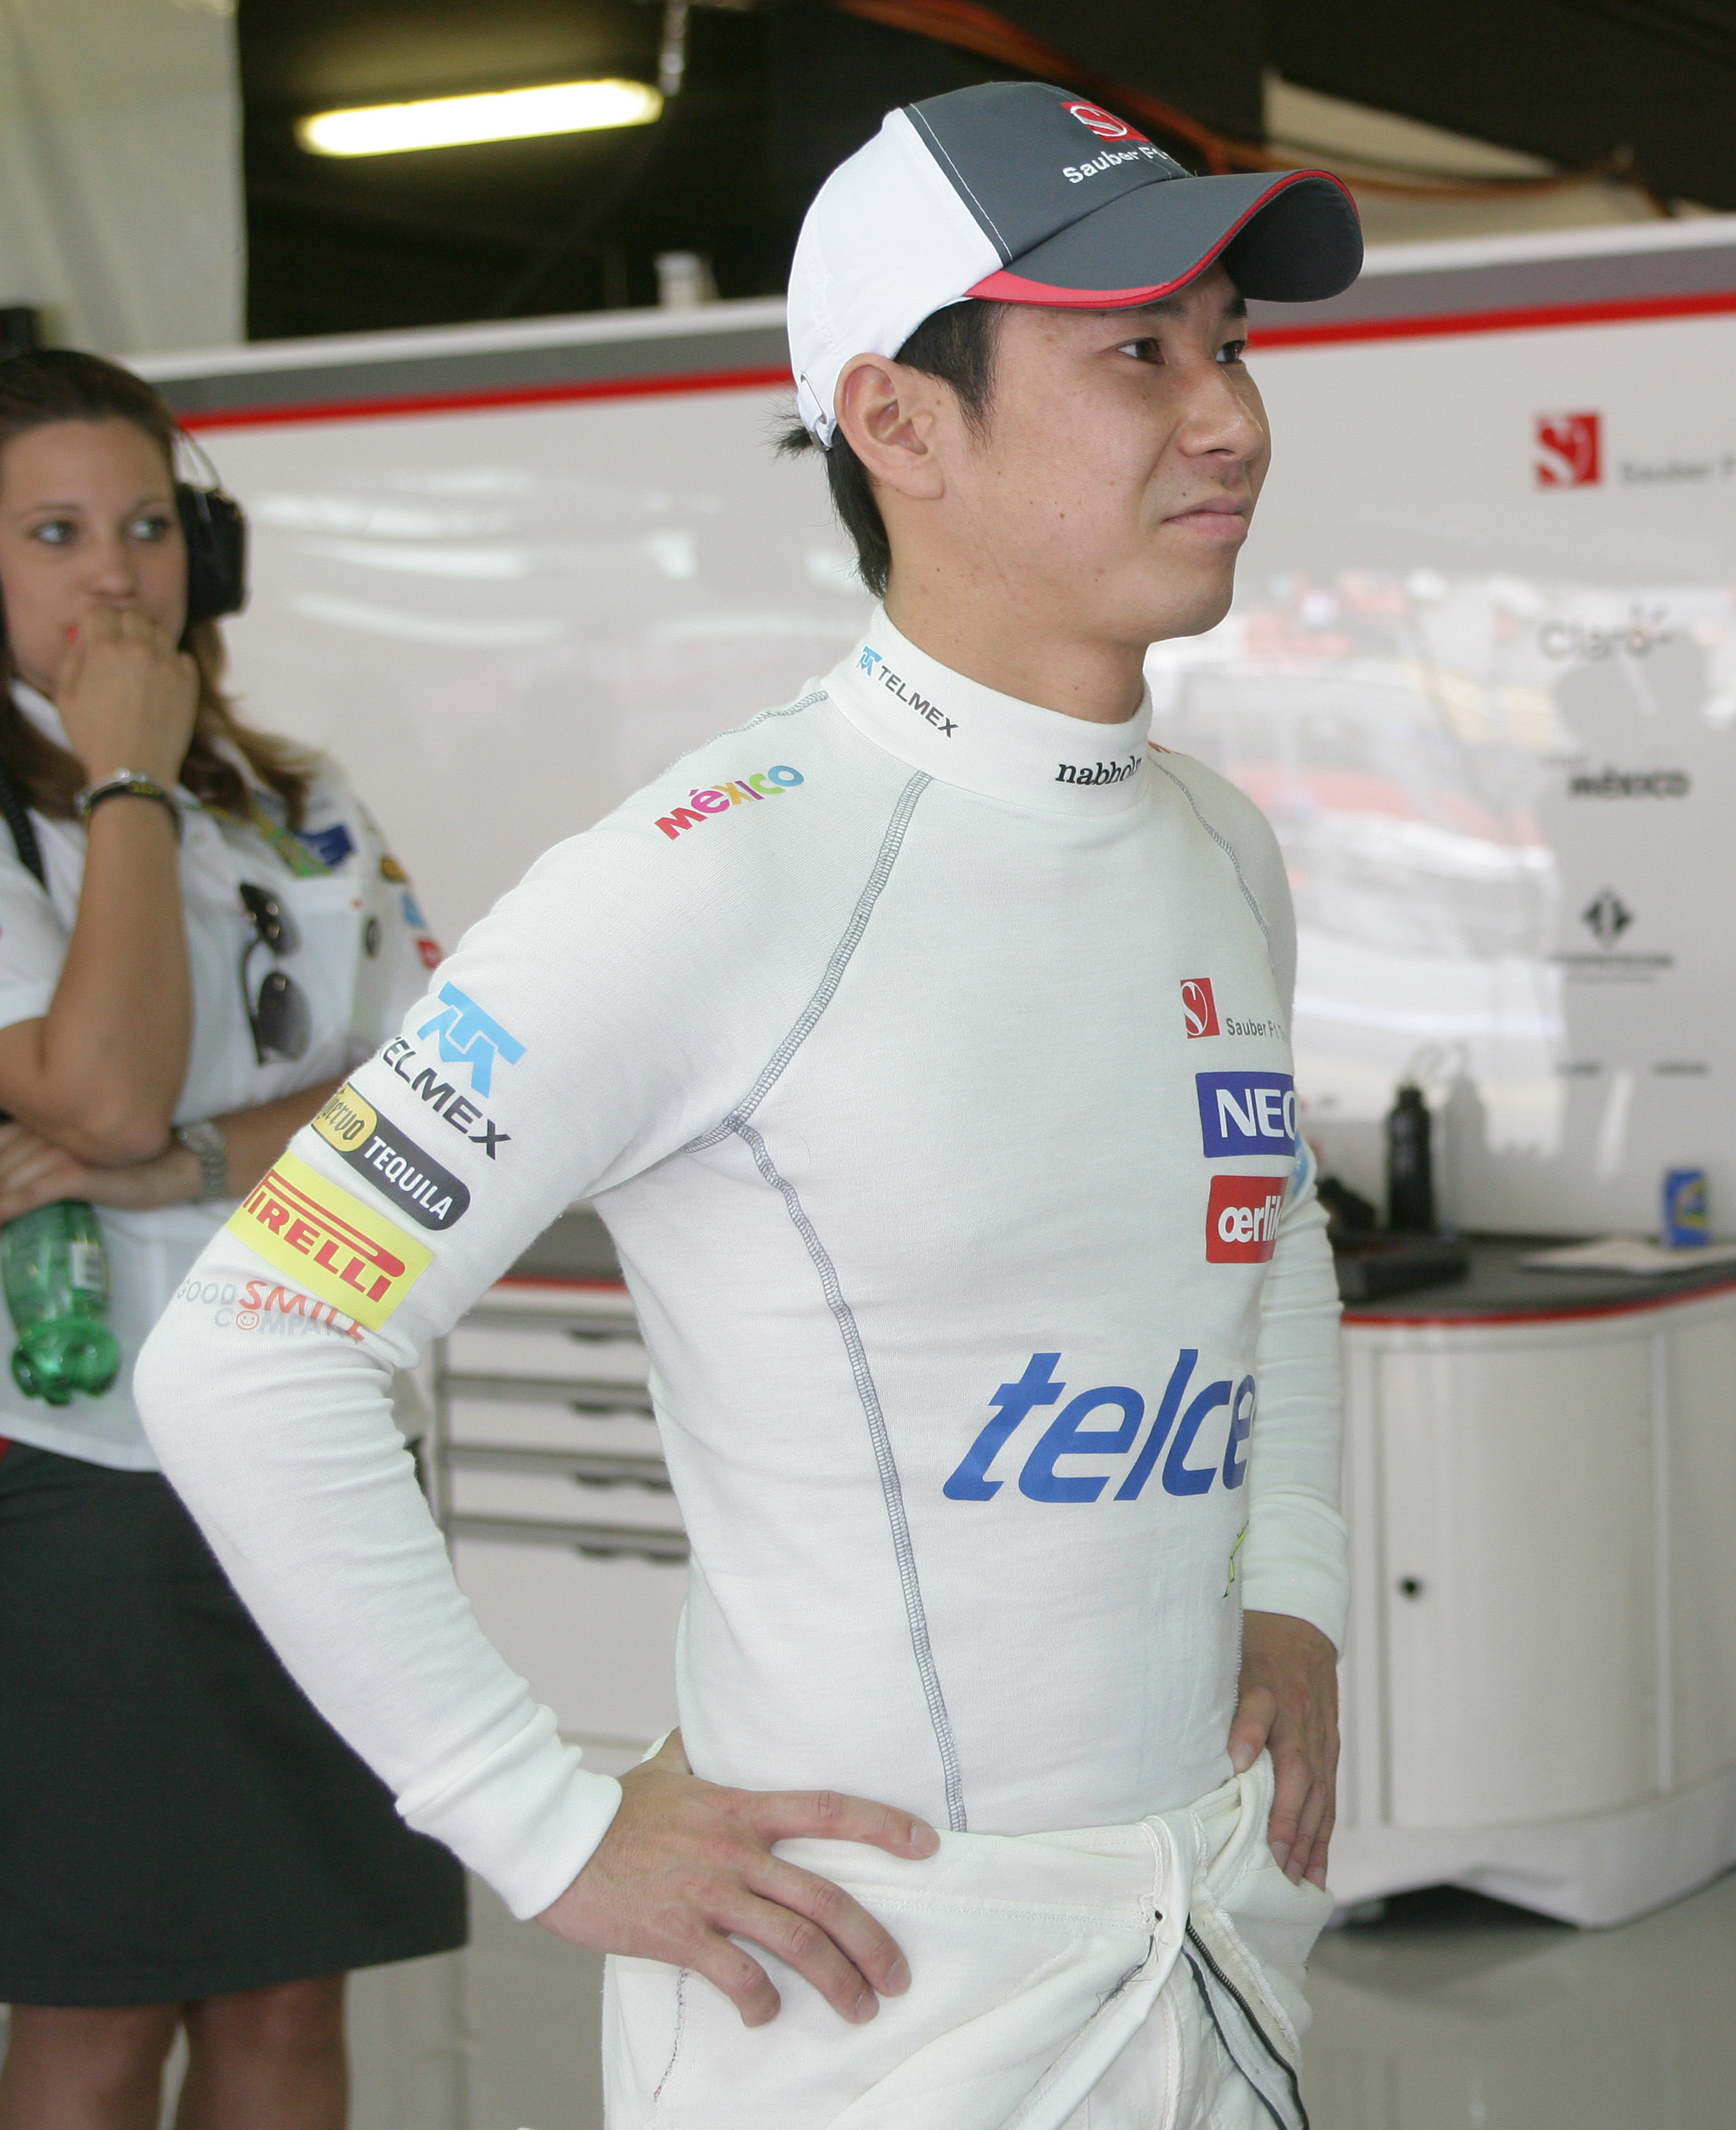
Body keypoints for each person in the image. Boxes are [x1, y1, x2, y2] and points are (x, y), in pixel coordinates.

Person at [136, 85, 1364, 2127]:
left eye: (1230, 345)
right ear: (898, 423)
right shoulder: (713, 871)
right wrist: (536, 1820)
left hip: (1205, 1943)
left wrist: (1297, 1579)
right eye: (1140, 354)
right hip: (859, 2000)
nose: (1229, 416)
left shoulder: (1218, 850)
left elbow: (1275, 1224)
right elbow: (254, 1349)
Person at [0, 350, 458, 2130]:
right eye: (53, 533)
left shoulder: (299, 794)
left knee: (289, 1987)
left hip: (316, 1435)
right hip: (77, 1467)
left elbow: (424, 1091)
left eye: (146, 526)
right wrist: (126, 776)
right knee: (102, 2005)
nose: (117, 576)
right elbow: (101, 1089)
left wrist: (193, 1164)